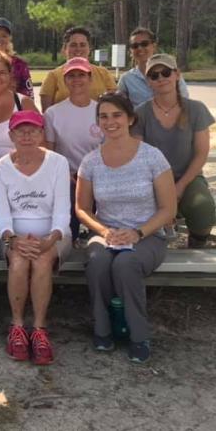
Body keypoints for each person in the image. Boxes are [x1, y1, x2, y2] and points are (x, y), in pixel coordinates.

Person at [76, 91, 176, 364]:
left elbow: (169, 209)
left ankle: (138, 334)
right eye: (103, 116)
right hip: (107, 234)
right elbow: (82, 209)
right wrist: (104, 231)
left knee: (125, 264)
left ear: (130, 119)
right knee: (97, 261)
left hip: (148, 235)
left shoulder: (152, 157)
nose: (110, 122)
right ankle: (103, 329)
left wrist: (138, 232)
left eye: (117, 115)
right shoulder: (91, 161)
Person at [0, 111, 71, 365]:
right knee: (18, 261)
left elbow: (62, 212)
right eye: (21, 131)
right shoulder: (0, 167)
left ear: (42, 134)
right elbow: (2, 215)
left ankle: (38, 328)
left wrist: (51, 239)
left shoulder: (58, 163)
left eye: (33, 131)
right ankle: (16, 326)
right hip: (13, 235)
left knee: (42, 261)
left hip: (54, 234)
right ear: (11, 135)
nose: (27, 136)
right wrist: (12, 239)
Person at [133, 53, 216, 248]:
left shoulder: (196, 109)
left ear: (177, 75)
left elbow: (201, 153)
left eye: (166, 72)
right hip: (150, 179)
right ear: (148, 82)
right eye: (154, 75)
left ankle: (196, 248)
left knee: (203, 208)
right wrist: (163, 190)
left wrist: (179, 186)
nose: (161, 78)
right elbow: (139, 155)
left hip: (187, 177)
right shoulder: (140, 113)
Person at [44, 57, 104, 240]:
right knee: (68, 208)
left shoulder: (103, 111)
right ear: (65, 81)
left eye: (81, 75)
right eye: (71, 76)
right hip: (68, 176)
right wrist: (64, 175)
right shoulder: (53, 113)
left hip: (99, 175)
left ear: (90, 79)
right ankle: (70, 240)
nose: (77, 80)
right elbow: (50, 152)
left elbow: (110, 149)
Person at [40, 26, 117, 111]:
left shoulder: (103, 73)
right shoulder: (53, 76)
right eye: (73, 45)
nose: (78, 49)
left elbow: (114, 105)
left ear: (89, 49)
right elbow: (46, 113)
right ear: (64, 49)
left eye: (82, 45)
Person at [117, 27, 189, 106]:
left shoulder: (169, 73)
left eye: (144, 44)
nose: (140, 48)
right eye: (135, 46)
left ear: (154, 46)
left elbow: (184, 101)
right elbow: (119, 107)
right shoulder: (126, 79)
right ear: (131, 51)